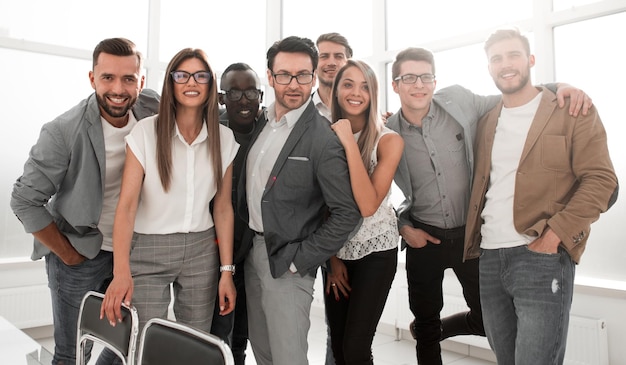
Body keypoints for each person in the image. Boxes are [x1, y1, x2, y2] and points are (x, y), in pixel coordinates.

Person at [386, 47, 593, 365]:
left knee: (491, 320)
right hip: (423, 239)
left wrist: (559, 87)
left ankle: (450, 325)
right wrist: (404, 227)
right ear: (395, 84)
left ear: (435, 80)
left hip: (471, 238)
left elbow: (515, 95)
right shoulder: (388, 133)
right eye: (409, 77)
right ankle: (432, 331)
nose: (419, 84)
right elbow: (380, 195)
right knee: (425, 327)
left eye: (426, 76)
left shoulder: (459, 102)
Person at [464, 28, 618, 365]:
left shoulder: (572, 109)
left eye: (513, 55)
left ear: (531, 60)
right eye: (496, 59)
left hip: (541, 257)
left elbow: (602, 179)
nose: (506, 65)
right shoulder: (485, 121)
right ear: (489, 68)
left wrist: (554, 237)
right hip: (489, 259)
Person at [10, 37, 159, 365]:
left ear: (141, 82)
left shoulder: (151, 107)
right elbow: (23, 200)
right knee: (73, 352)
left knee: (133, 342)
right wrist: (66, 254)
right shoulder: (64, 131)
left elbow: (194, 114)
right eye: (108, 78)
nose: (118, 89)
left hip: (132, 251)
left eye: (128, 79)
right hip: (80, 253)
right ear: (92, 78)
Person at [238, 36, 362, 365]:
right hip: (252, 254)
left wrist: (300, 261)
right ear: (270, 76)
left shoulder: (323, 138)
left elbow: (348, 213)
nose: (294, 85)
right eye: (284, 75)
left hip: (289, 263)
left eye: (303, 75)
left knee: (289, 358)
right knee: (262, 353)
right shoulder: (260, 124)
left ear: (314, 75)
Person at [100, 48, 238, 339]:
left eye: (200, 76)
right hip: (149, 248)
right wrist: (121, 271)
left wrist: (227, 271)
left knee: (195, 341)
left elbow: (223, 209)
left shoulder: (224, 139)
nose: (191, 82)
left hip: (202, 251)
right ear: (171, 83)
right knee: (146, 341)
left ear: (211, 85)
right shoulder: (144, 133)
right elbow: (125, 208)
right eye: (182, 75)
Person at [324, 60, 404, 365]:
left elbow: (368, 205)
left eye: (365, 86)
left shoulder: (389, 141)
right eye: (348, 84)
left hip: (376, 251)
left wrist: (347, 141)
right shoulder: (324, 137)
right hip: (337, 253)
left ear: (374, 93)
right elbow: (322, 206)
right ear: (336, 91)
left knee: (357, 347)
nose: (356, 92)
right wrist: (332, 259)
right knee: (340, 347)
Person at [210, 62, 266, 365]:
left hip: (252, 252)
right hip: (214, 252)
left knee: (242, 336)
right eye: (234, 93)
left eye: (250, 93)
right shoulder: (211, 133)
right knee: (216, 335)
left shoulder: (270, 130)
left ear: (260, 95)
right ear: (221, 98)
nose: (243, 101)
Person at [313, 32, 353, 121]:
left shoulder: (364, 110)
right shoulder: (299, 110)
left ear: (349, 63)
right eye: (324, 56)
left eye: (338, 56)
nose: (331, 63)